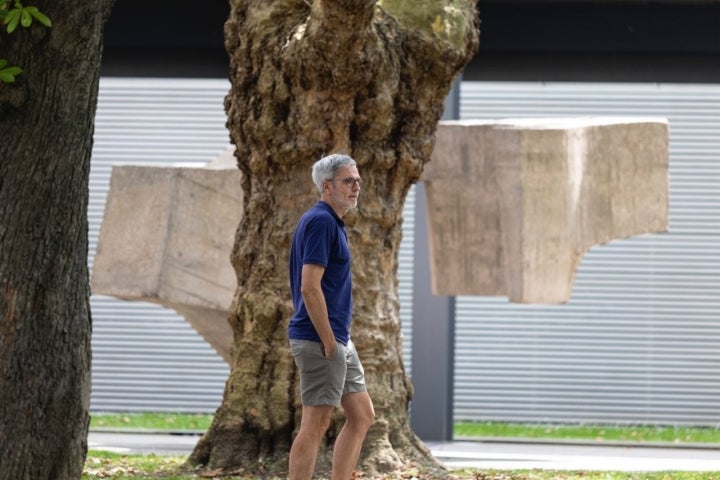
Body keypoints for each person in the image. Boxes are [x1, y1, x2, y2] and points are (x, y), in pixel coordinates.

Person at [287, 153, 375, 480]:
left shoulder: (331, 221)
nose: (356, 187)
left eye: (357, 181)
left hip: (338, 339)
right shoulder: (321, 221)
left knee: (363, 416)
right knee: (316, 424)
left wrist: (338, 341)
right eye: (348, 181)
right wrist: (328, 341)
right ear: (327, 185)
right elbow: (310, 287)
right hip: (320, 339)